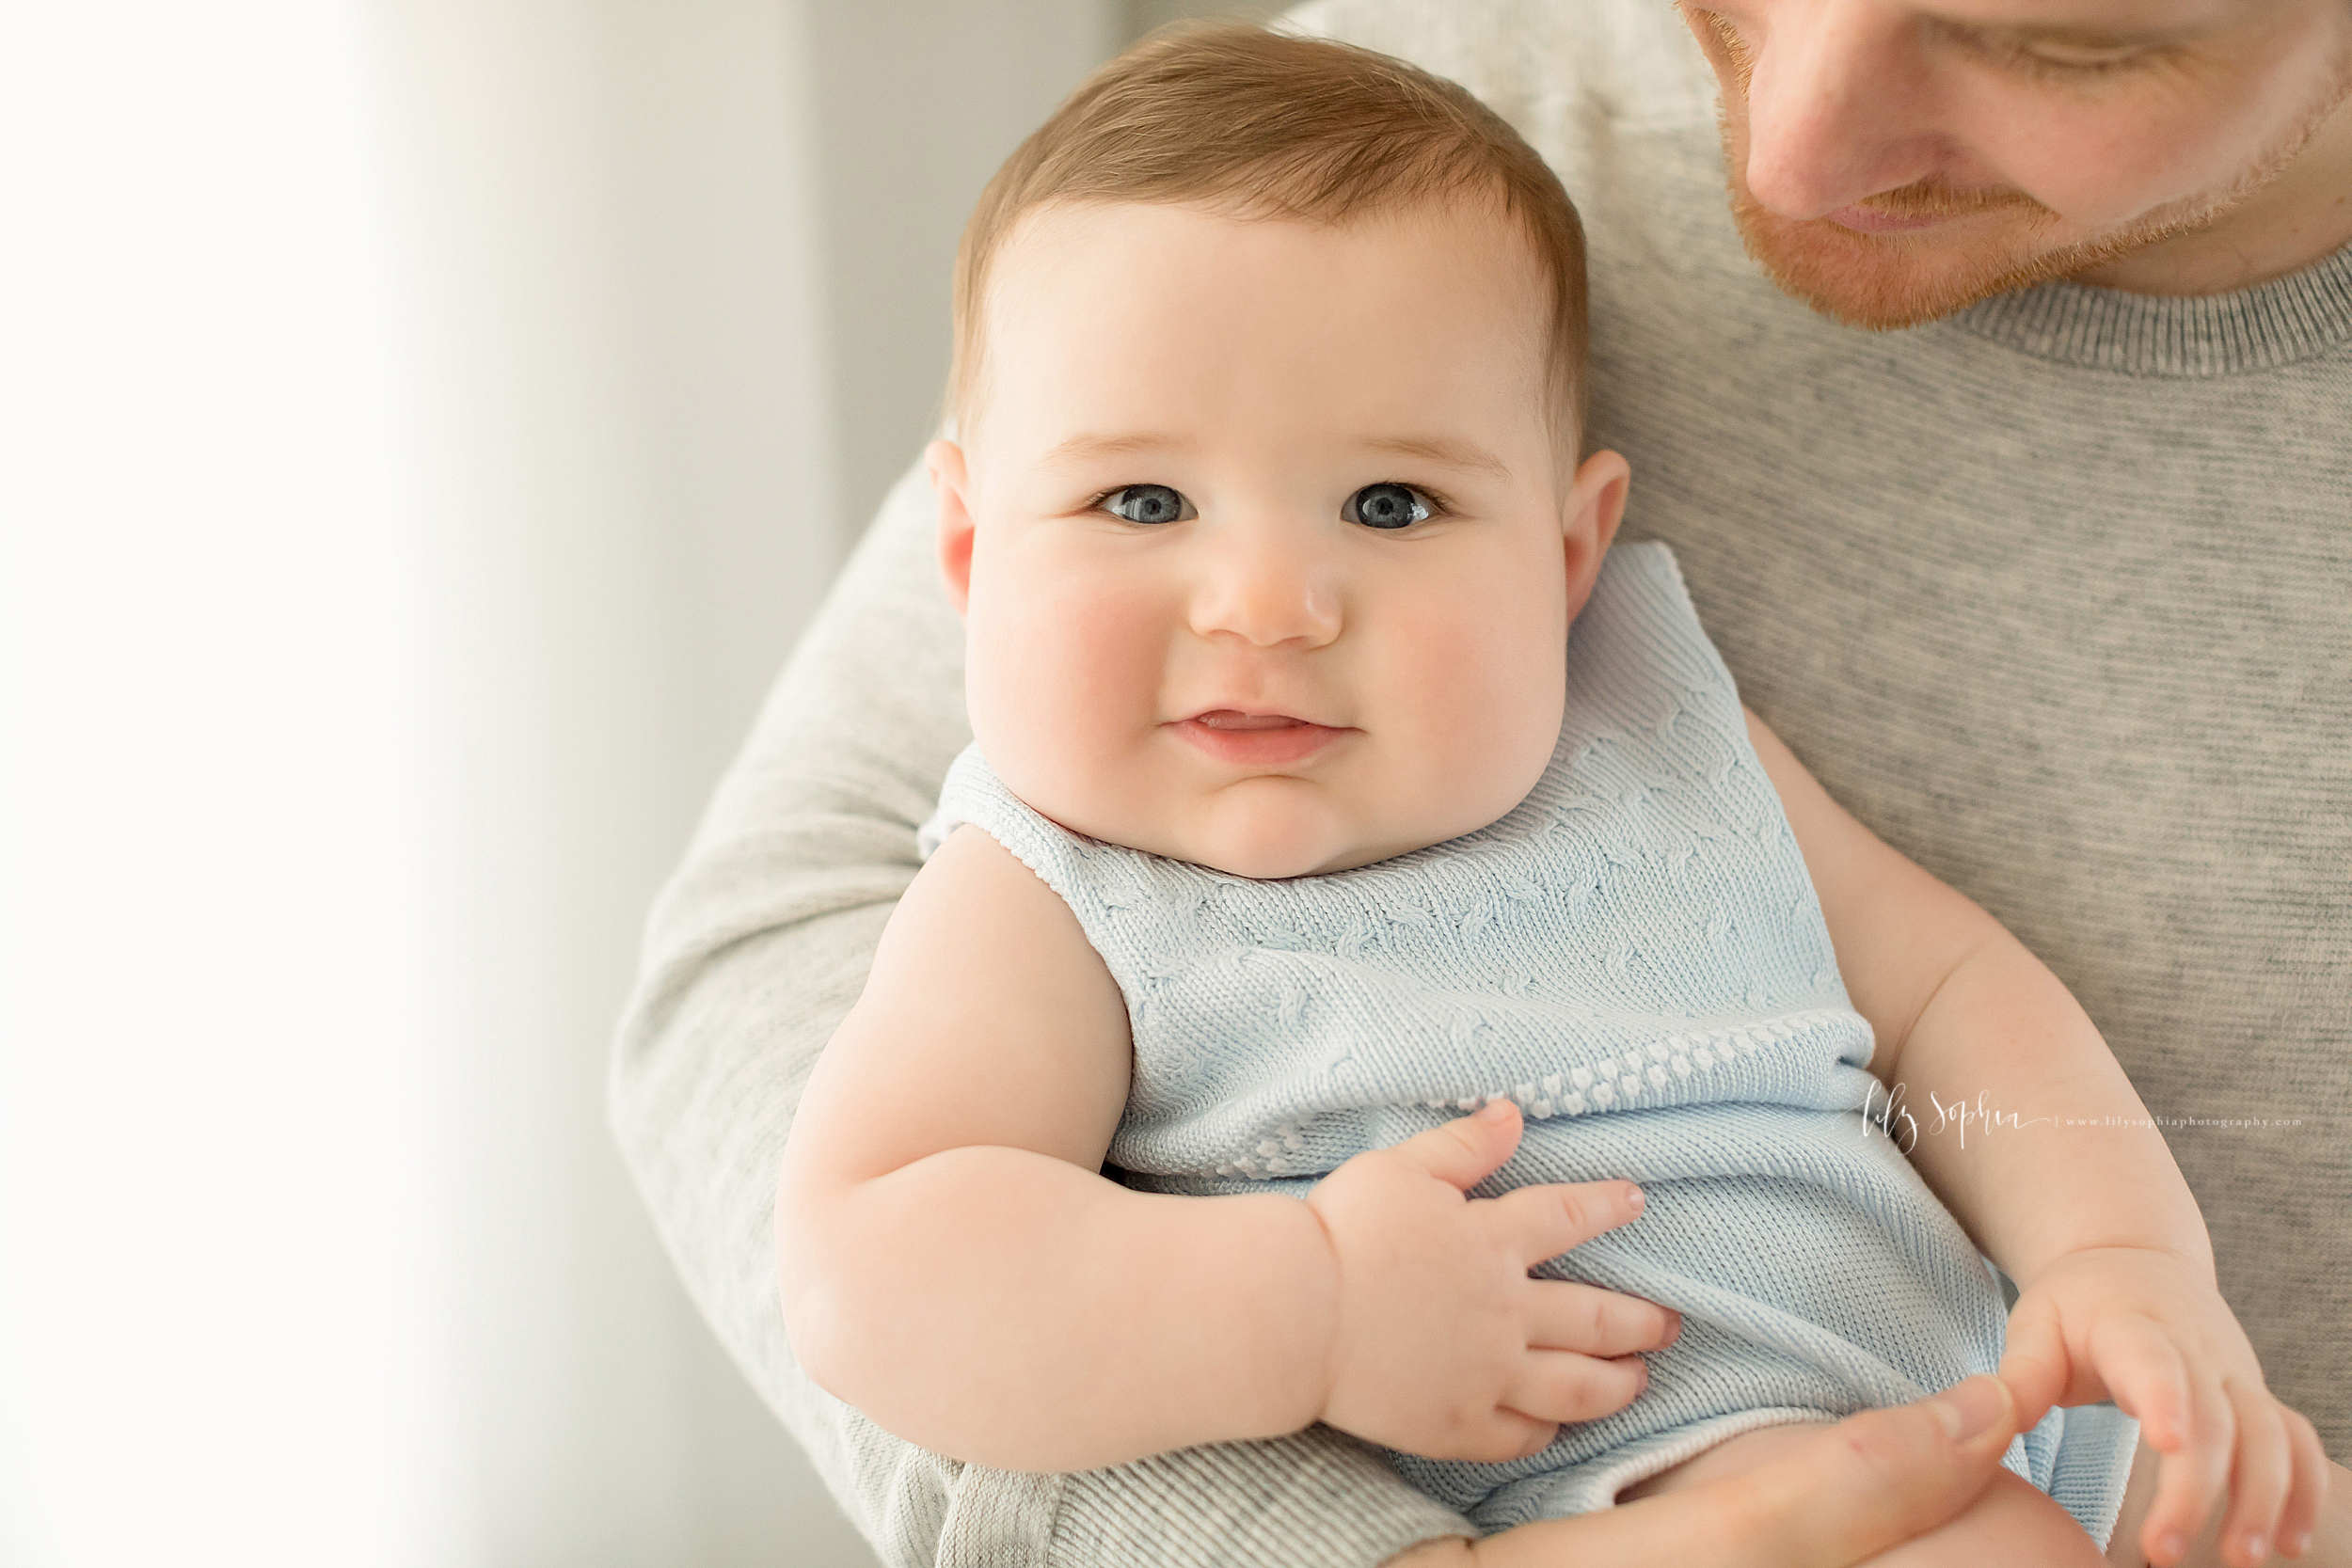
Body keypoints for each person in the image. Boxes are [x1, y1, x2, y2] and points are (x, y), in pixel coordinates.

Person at [610, 1, 2352, 1564]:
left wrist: (2124, 1265)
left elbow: (1957, 994)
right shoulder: (1055, 891)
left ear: (1573, 551)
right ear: (972, 554)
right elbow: (877, 1266)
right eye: (1142, 506)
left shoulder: (1652, 720)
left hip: (2025, 1416)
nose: (1267, 606)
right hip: (1631, 1486)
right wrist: (1308, 1308)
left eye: (1392, 508)